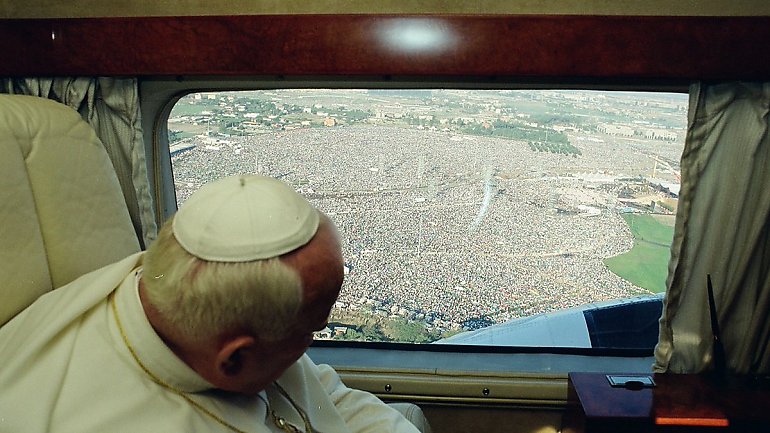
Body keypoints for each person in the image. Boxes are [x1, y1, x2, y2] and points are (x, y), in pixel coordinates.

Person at [0, 174, 428, 433]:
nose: (311, 342)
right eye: (310, 330)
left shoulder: (174, 295)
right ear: (235, 358)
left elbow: (323, 396)